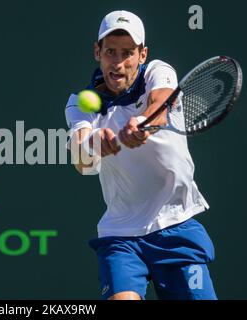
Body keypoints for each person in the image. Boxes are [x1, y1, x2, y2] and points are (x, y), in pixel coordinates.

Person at [65, 10, 217, 300]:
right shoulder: (79, 103)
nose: (118, 63)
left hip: (176, 225)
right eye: (110, 52)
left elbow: (161, 105)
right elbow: (81, 158)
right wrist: (95, 143)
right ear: (97, 52)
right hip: (120, 235)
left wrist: (142, 124)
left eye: (128, 53)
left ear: (142, 54)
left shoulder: (159, 72)